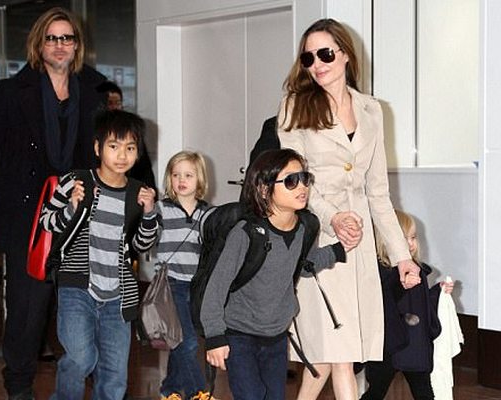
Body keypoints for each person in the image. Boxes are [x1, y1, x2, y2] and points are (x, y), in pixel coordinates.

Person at [0, 7, 107, 399]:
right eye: (51, 38)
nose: (59, 45)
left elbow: (111, 151)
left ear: (76, 45)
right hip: (29, 217)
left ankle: (94, 384)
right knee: (27, 311)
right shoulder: (11, 92)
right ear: (38, 44)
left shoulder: (94, 91)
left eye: (67, 38)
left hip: (80, 215)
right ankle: (19, 384)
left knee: (84, 305)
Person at [276, 18, 422, 399]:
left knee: (329, 356)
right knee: (339, 355)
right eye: (308, 58)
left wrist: (402, 257)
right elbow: (296, 180)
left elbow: (378, 193)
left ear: (345, 55)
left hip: (359, 249)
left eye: (325, 54)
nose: (317, 64)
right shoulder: (294, 107)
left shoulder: (372, 110)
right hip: (318, 242)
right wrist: (333, 217)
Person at [200, 148, 348, 400]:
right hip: (240, 334)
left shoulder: (305, 227)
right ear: (263, 189)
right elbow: (216, 286)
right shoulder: (245, 233)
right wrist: (215, 337)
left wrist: (338, 250)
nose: (302, 187)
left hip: (276, 336)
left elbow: (304, 265)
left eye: (305, 178)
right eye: (291, 181)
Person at [39, 110, 158, 399]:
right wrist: (71, 207)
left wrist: (149, 213)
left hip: (119, 295)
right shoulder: (76, 182)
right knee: (81, 358)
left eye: (130, 148)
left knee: (115, 376)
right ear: (97, 147)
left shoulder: (138, 192)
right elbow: (46, 221)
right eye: (114, 146)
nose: (122, 155)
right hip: (76, 286)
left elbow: (142, 245)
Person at [361, 210, 453, 400]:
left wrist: (439, 292)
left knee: (424, 391)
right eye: (404, 239)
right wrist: (400, 284)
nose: (410, 244)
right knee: (376, 391)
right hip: (388, 347)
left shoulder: (417, 271)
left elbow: (421, 304)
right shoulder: (380, 272)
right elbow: (381, 301)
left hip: (414, 344)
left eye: (413, 237)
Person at [155, 151, 211, 400]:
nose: (181, 180)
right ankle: (198, 393)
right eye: (176, 175)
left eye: (188, 175)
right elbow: (146, 236)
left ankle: (169, 390)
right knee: (187, 342)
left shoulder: (207, 213)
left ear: (199, 179)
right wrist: (147, 213)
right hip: (171, 284)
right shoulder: (162, 209)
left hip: (196, 286)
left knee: (181, 339)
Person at [96, 80, 158, 193]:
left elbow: (145, 173)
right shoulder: (91, 132)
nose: (114, 107)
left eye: (117, 102)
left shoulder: (133, 133)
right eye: (109, 102)